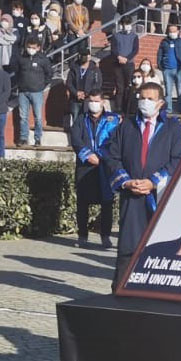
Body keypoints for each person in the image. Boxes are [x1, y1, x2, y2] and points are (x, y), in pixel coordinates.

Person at [104, 82, 181, 288]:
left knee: (161, 249)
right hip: (132, 196)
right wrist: (126, 181)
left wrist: (153, 182)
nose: (144, 102)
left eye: (150, 99)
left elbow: (178, 159)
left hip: (161, 197)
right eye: (142, 98)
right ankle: (121, 293)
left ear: (160, 103)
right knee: (128, 248)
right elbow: (112, 156)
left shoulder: (173, 128)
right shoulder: (126, 126)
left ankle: (156, 293)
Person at [71, 92, 118, 249]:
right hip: (85, 167)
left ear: (103, 102)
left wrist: (101, 157)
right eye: (91, 101)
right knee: (82, 203)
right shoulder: (81, 119)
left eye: (96, 101)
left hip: (105, 166)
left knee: (107, 203)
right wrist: (87, 155)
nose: (93, 104)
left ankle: (105, 236)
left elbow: (115, 141)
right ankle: (82, 236)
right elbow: (76, 139)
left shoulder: (113, 120)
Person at [14, 38, 52, 147]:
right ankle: (23, 138)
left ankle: (38, 138)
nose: (31, 49)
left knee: (38, 117)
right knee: (23, 116)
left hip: (37, 92)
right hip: (23, 92)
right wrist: (19, 84)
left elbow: (49, 73)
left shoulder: (43, 59)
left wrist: (42, 86)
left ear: (38, 48)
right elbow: (17, 72)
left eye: (33, 48)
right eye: (29, 47)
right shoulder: (22, 58)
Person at [157, 24, 181, 114]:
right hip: (167, 70)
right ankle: (168, 109)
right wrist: (161, 66)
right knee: (168, 91)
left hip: (179, 69)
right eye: (170, 31)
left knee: (180, 91)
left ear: (178, 31)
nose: (172, 33)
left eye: (174, 31)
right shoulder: (164, 42)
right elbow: (159, 54)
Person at [66, 51, 102, 130]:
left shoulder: (94, 69)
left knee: (88, 119)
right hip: (75, 99)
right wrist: (76, 93)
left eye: (86, 56)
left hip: (88, 99)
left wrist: (87, 94)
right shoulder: (74, 68)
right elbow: (69, 83)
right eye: (82, 56)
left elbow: (97, 83)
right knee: (76, 119)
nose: (84, 58)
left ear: (89, 56)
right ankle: (76, 136)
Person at [110, 17, 139, 111]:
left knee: (128, 86)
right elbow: (113, 49)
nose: (127, 26)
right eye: (125, 24)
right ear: (121, 25)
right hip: (117, 64)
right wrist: (119, 57)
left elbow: (135, 50)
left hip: (129, 64)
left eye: (128, 24)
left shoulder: (134, 36)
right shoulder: (116, 36)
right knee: (119, 87)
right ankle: (118, 107)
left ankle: (128, 107)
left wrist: (127, 58)